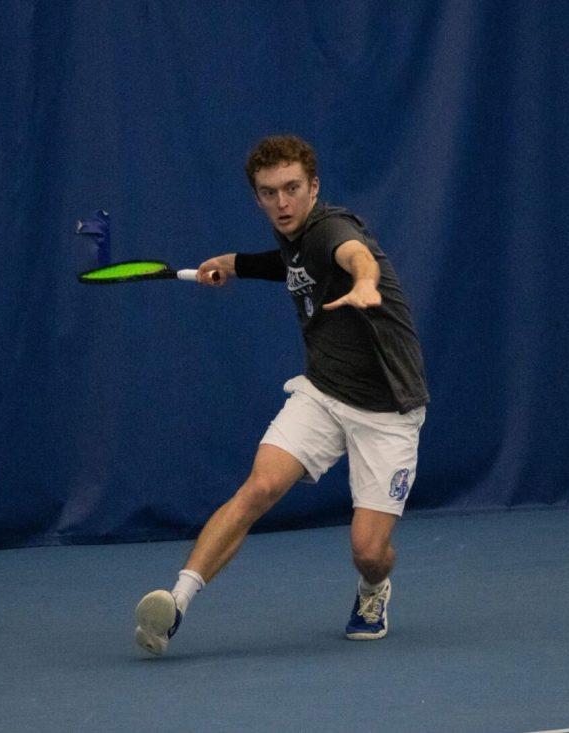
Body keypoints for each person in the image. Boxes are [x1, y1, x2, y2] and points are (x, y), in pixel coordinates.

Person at [134, 134, 429, 656]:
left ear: (313, 188)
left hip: (388, 409)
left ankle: (373, 590)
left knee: (368, 551)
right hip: (323, 392)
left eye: (292, 188)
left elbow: (355, 253)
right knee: (260, 487)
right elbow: (278, 264)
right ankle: (175, 603)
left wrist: (366, 282)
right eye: (269, 193)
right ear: (258, 197)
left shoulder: (330, 229)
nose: (282, 202)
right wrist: (227, 263)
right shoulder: (294, 241)